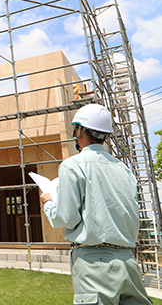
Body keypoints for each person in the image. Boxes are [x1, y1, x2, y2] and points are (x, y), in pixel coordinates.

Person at [40, 103, 152, 305]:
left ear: (80, 130)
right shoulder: (124, 170)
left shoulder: (71, 166)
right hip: (127, 260)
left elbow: (66, 218)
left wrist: (48, 203)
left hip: (94, 262)